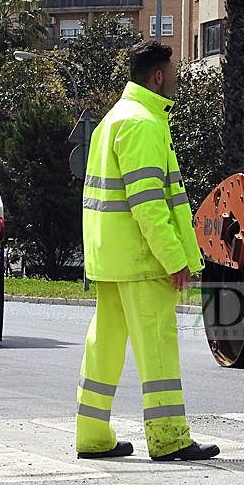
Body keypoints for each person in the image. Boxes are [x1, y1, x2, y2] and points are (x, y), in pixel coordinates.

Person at [75, 40, 220, 462]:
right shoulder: (143, 123)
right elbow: (149, 204)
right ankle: (169, 437)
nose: (175, 79)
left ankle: (92, 435)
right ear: (158, 76)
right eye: (172, 73)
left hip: (111, 258)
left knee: (104, 346)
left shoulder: (112, 121)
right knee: (156, 346)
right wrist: (175, 259)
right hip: (142, 260)